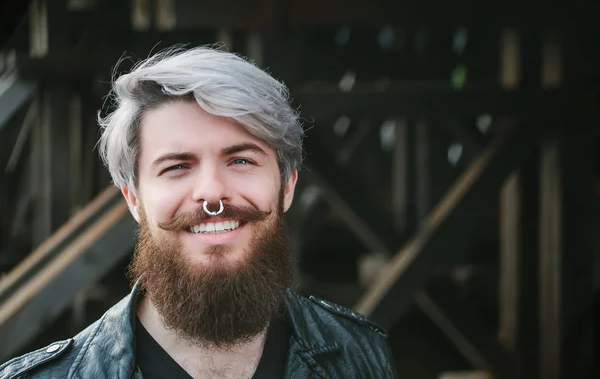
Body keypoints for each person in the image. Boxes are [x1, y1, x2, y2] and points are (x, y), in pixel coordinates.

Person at [0, 46, 396, 378]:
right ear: (134, 200)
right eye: (176, 166)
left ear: (287, 185)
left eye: (241, 160)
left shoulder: (360, 356)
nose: (211, 194)